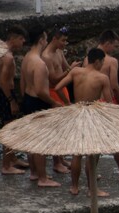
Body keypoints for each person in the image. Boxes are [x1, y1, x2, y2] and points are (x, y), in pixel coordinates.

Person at [55, 47, 112, 196]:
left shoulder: (75, 72)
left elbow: (58, 87)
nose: (103, 64)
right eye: (103, 61)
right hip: (92, 113)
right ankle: (92, 189)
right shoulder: (102, 78)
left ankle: (74, 187)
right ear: (98, 61)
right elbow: (108, 103)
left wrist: (67, 103)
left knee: (77, 153)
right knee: (92, 153)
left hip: (77, 111)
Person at [92, 29, 119, 184]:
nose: (114, 50)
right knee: (118, 139)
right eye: (114, 46)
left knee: (96, 140)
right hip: (108, 102)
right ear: (107, 43)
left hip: (93, 103)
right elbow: (114, 85)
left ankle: (92, 172)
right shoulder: (111, 61)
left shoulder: (88, 58)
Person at [20, 28, 63, 188]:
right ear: (40, 40)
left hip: (28, 99)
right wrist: (53, 102)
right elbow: (40, 91)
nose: (46, 42)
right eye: (45, 39)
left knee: (31, 140)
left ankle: (34, 173)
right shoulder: (39, 63)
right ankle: (43, 178)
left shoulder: (26, 58)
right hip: (38, 101)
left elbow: (23, 83)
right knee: (40, 142)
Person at [42, 25, 81, 174]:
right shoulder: (46, 56)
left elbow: (65, 67)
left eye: (66, 41)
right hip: (53, 92)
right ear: (54, 39)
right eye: (63, 40)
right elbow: (53, 80)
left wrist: (74, 69)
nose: (65, 43)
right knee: (56, 129)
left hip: (63, 90)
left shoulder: (59, 51)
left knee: (64, 128)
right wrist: (70, 70)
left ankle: (62, 157)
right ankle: (56, 163)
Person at [0, 25, 28, 175]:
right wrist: (11, 100)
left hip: (0, 92)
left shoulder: (0, 51)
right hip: (4, 93)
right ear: (12, 39)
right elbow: (2, 81)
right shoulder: (8, 57)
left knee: (8, 125)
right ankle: (6, 166)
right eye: (21, 39)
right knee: (9, 129)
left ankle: (12, 158)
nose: (23, 42)